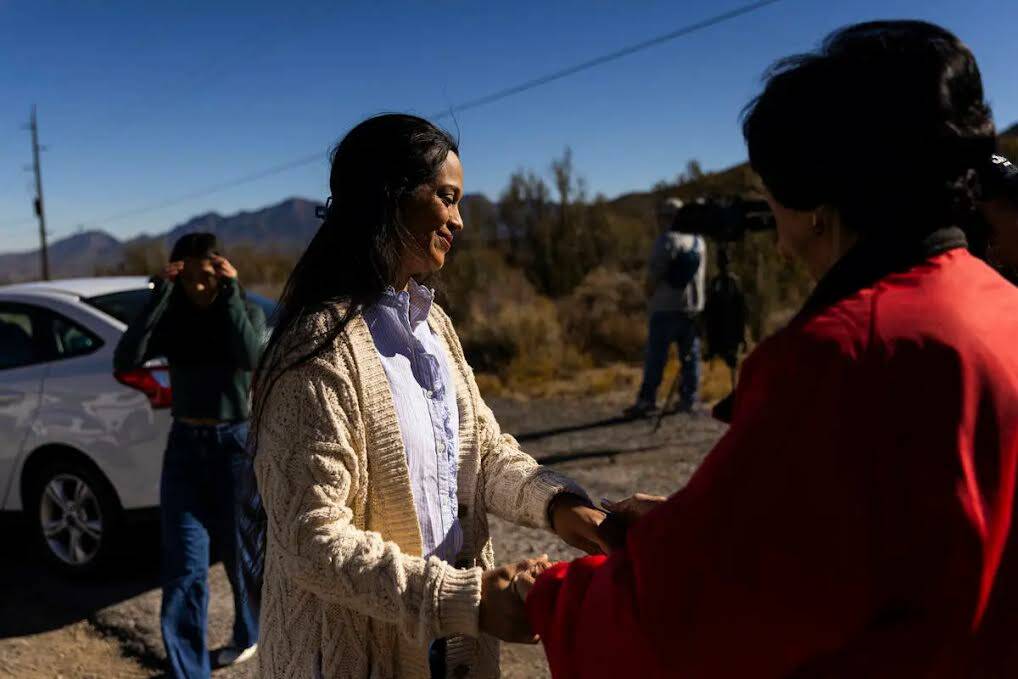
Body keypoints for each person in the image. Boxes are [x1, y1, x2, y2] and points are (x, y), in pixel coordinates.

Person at [521, 21, 1018, 677]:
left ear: (818, 203)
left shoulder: (846, 356)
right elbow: (880, 532)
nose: (779, 239)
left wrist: (552, 596)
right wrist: (687, 525)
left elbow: (687, 626)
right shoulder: (996, 302)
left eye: (774, 198)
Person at [247, 113, 605, 679]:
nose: (459, 220)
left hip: (451, 649)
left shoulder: (432, 324)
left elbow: (482, 454)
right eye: (446, 197)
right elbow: (310, 538)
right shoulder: (318, 349)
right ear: (389, 198)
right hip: (350, 658)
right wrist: (469, 599)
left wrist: (559, 505)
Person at [113, 234, 265, 678]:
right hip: (185, 449)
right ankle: (188, 672)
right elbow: (127, 359)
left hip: (235, 449)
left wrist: (233, 292)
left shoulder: (241, 311)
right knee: (184, 567)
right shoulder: (172, 318)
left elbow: (250, 354)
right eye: (190, 275)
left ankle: (248, 635)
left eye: (207, 274)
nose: (200, 285)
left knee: (242, 559)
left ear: (219, 269)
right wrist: (159, 294)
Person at [624, 197, 707, 418]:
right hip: (693, 309)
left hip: (665, 308)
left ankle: (647, 400)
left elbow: (653, 277)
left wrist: (647, 295)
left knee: (656, 358)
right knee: (690, 357)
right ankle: (689, 399)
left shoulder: (666, 240)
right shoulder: (699, 242)